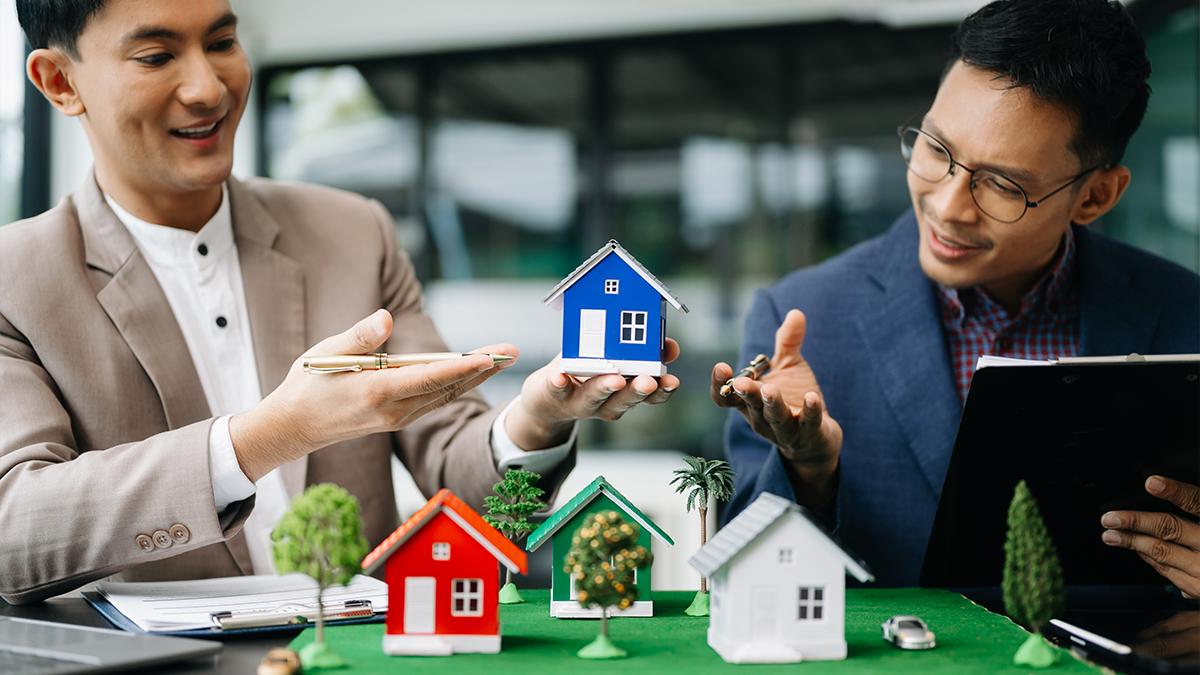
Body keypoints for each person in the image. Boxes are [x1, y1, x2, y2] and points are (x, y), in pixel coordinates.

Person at [0, 0, 679, 605]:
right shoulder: (15, 279)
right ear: (60, 83)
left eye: (223, 42)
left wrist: (536, 418)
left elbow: (474, 493)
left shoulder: (355, 232)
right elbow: (14, 529)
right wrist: (269, 434)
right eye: (156, 56)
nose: (208, 88)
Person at [713, 0, 1200, 588]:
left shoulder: (1185, 314)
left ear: (1095, 197)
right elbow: (744, 581)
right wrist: (809, 465)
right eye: (936, 150)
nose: (946, 207)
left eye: (1002, 184)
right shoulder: (802, 318)